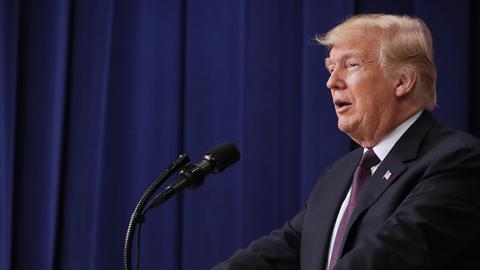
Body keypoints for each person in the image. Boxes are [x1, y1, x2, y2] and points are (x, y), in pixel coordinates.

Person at [212, 13, 480, 270]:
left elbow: (390, 256)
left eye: (352, 65)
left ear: (402, 81)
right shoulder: (340, 174)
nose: (332, 82)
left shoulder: (458, 160)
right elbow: (283, 250)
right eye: (331, 68)